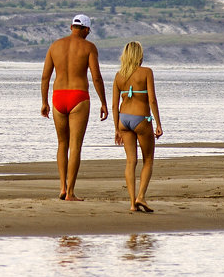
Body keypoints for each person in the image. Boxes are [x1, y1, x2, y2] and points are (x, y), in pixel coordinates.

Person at [40, 13, 108, 201]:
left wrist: (44, 101)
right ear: (86, 29)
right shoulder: (89, 47)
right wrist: (103, 102)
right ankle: (70, 192)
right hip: (78, 96)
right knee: (75, 146)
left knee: (62, 144)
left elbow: (45, 76)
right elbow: (96, 77)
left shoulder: (55, 46)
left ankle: (62, 187)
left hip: (58, 96)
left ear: (71, 27)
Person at [111, 41, 162, 213]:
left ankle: (132, 204)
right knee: (148, 160)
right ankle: (141, 196)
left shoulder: (119, 76)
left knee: (130, 161)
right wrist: (158, 123)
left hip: (123, 120)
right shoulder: (146, 72)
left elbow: (114, 105)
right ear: (139, 55)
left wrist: (116, 129)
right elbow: (152, 100)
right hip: (141, 119)